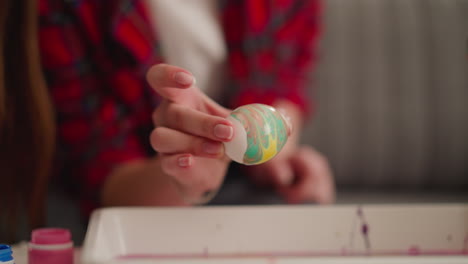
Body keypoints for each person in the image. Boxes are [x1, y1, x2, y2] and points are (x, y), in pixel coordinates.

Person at [1, 0, 334, 241]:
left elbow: (286, 82)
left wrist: (280, 157)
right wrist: (191, 173)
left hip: (242, 189)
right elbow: (100, 167)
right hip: (146, 197)